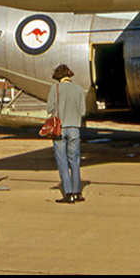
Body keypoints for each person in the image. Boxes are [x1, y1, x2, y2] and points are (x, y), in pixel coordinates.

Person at [46, 64, 86, 204]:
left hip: (59, 128)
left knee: (62, 161)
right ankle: (77, 192)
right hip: (74, 128)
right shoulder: (79, 89)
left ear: (58, 76)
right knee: (74, 160)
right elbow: (82, 112)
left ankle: (67, 193)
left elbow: (49, 108)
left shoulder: (55, 88)